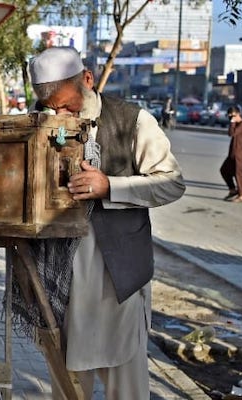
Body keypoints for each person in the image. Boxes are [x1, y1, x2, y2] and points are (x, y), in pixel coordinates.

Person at [22, 47, 185, 399]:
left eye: (66, 105)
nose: (58, 114)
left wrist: (110, 186)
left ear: (87, 80)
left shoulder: (132, 120)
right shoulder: (39, 120)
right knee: (67, 383)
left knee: (124, 385)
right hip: (59, 280)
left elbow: (172, 182)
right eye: (50, 106)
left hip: (116, 280)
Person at [220, 105, 242, 202]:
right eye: (229, 117)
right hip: (232, 154)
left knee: (238, 174)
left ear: (238, 114)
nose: (231, 118)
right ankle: (232, 190)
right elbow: (230, 133)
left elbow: (232, 133)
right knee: (224, 170)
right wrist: (232, 123)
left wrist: (232, 123)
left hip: (238, 154)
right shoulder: (235, 124)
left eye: (232, 116)